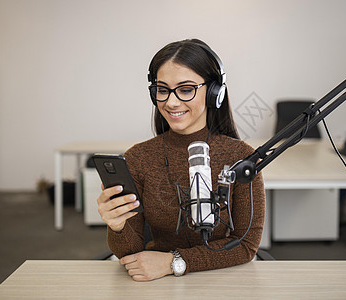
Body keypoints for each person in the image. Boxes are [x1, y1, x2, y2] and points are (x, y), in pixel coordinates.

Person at [96, 38, 265, 281]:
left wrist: (174, 261)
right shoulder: (138, 158)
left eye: (186, 90)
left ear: (214, 93)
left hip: (223, 280)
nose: (171, 102)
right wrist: (117, 225)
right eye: (162, 90)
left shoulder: (241, 159)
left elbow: (247, 245)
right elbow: (130, 253)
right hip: (157, 284)